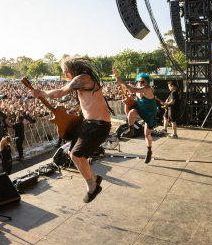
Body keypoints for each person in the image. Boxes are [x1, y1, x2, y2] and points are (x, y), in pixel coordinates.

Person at [30, 57, 110, 203]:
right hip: (89, 123)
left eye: (66, 72)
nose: (66, 75)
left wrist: (42, 93)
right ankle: (94, 179)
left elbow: (60, 93)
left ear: (73, 68)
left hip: (98, 125)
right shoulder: (82, 80)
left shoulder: (83, 78)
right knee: (72, 154)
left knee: (77, 155)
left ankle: (93, 186)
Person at [114, 72, 157, 164]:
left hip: (149, 114)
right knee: (131, 112)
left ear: (147, 83)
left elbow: (132, 89)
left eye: (142, 82)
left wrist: (122, 81)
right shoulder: (139, 91)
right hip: (141, 111)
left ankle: (149, 150)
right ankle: (131, 130)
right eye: (139, 81)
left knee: (147, 134)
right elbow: (132, 90)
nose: (140, 83)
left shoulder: (147, 89)